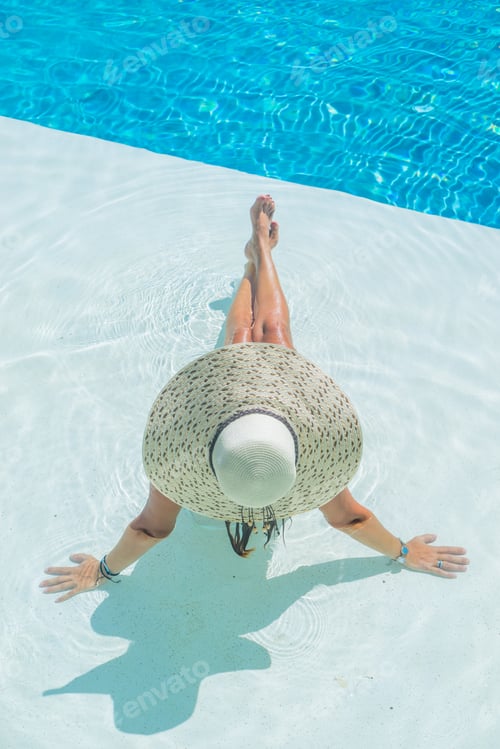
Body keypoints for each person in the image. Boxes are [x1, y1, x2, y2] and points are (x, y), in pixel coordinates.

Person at [40, 195, 469, 603]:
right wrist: (404, 553)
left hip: (241, 417)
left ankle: (256, 256)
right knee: (268, 333)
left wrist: (103, 571)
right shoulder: (296, 462)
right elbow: (349, 519)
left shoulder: (182, 457)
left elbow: (149, 531)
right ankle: (259, 253)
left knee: (244, 336)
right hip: (275, 415)